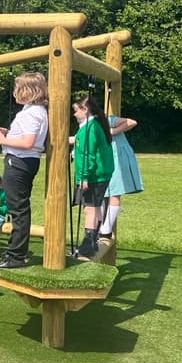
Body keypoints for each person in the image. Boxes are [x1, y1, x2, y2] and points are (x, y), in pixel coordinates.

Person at [0, 71, 49, 269]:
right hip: (25, 161)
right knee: (19, 208)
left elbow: (28, 142)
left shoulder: (32, 113)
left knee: (18, 210)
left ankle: (15, 256)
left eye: (17, 89)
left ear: (27, 91)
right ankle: (15, 253)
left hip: (19, 162)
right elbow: (26, 137)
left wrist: (2, 140)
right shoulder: (35, 110)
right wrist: (8, 134)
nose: (14, 92)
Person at [71, 95, 114, 259]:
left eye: (76, 111)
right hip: (102, 173)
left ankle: (88, 244)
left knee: (89, 208)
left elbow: (87, 154)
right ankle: (92, 240)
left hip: (93, 174)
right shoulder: (95, 125)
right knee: (95, 205)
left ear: (85, 110)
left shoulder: (89, 129)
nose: (74, 114)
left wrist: (84, 177)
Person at [99, 114, 143, 240]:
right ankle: (100, 228)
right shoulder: (91, 126)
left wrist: (112, 131)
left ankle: (106, 228)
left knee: (114, 193)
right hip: (106, 159)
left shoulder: (107, 120)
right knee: (101, 193)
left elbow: (131, 122)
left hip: (117, 159)